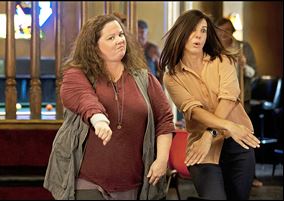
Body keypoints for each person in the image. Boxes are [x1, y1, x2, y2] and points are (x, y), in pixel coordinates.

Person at [43, 14, 175, 200]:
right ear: (94, 47)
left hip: (132, 182)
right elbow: (83, 97)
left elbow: (164, 120)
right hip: (87, 180)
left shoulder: (145, 79)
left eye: (121, 35)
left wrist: (161, 160)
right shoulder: (78, 74)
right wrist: (98, 119)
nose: (120, 40)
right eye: (111, 38)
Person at [160, 9, 261, 200]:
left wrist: (211, 133)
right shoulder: (171, 76)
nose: (199, 35)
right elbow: (194, 112)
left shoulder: (223, 60)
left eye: (204, 30)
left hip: (237, 143)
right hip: (202, 150)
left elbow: (229, 98)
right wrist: (225, 127)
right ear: (181, 33)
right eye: (193, 30)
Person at [216, 17, 263, 188]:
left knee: (247, 136)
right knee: (226, 136)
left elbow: (254, 73)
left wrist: (244, 65)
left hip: (243, 100)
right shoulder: (214, 49)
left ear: (232, 31)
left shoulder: (243, 47)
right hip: (222, 101)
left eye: (227, 31)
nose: (224, 35)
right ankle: (228, 175)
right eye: (220, 31)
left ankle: (251, 175)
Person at [138, 19, 163, 84]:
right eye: (137, 32)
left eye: (142, 32)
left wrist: (160, 88)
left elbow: (162, 71)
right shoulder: (132, 50)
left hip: (151, 86)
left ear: (147, 33)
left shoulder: (154, 49)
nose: (139, 35)